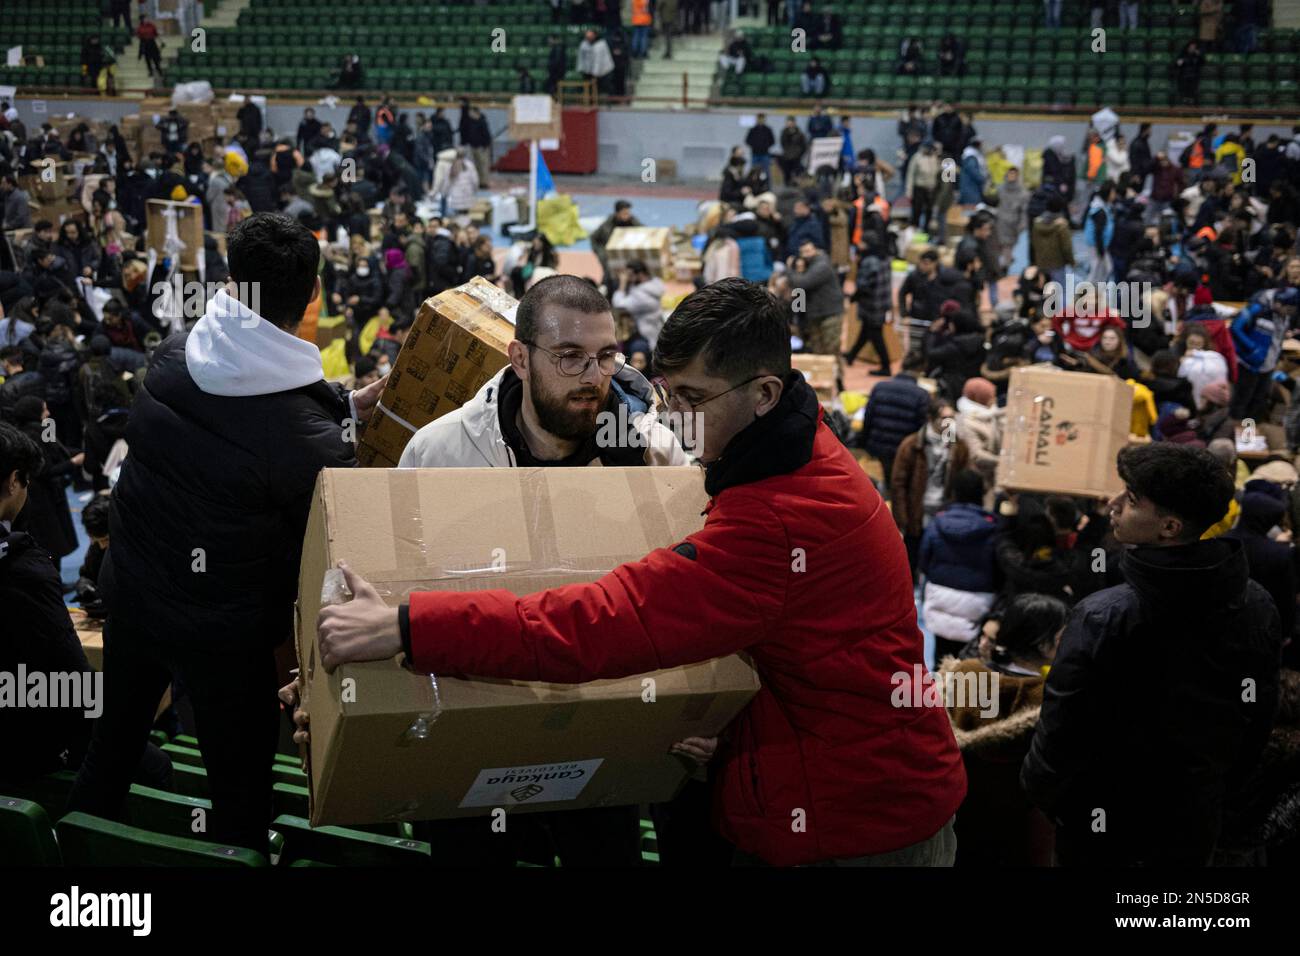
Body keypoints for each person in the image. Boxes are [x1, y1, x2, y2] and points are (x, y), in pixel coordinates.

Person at [296, 277, 968, 867]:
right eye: (669, 392)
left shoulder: (752, 507)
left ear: (765, 393)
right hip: (827, 789)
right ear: (520, 359)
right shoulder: (788, 449)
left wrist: (404, 627)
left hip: (848, 822)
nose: (670, 414)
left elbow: (604, 622)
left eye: (693, 398)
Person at [65, 214, 388, 853]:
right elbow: (306, 493)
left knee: (113, 749)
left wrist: (340, 408)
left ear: (234, 283)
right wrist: (337, 423)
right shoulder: (308, 441)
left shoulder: (172, 354)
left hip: (132, 597)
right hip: (221, 638)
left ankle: (67, 856)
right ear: (312, 299)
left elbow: (246, 413)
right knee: (240, 791)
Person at [1022, 443, 1284, 866]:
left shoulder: (1103, 616)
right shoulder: (1257, 605)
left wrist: (1052, 799)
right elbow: (1256, 717)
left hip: (1099, 820)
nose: (1113, 504)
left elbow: (1060, 731)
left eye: (1131, 499)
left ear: (1169, 526)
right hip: (1193, 819)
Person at [940, 592, 1067, 866]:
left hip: (959, 813)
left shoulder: (964, 673)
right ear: (1042, 644)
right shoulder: (1052, 699)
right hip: (1022, 830)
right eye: (1061, 635)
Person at [919, 469, 1000, 664]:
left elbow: (923, 559)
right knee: (970, 662)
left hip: (939, 594)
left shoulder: (938, 522)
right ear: (981, 493)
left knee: (940, 657)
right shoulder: (993, 528)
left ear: (954, 492)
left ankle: (938, 692)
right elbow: (997, 567)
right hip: (977, 601)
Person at [892, 396, 971, 573]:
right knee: (912, 559)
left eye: (952, 417)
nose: (949, 422)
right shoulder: (912, 445)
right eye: (944, 418)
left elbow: (963, 476)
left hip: (944, 511)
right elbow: (898, 484)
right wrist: (902, 519)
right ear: (931, 418)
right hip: (917, 513)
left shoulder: (955, 445)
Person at [8, 395, 81, 564]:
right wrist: (73, 462)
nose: (48, 413)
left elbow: (56, 449)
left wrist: (73, 453)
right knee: (51, 540)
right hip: (42, 496)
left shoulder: (39, 430)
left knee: (53, 541)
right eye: (44, 409)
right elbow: (45, 470)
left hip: (45, 494)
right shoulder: (35, 435)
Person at [1224, 479, 1296, 644]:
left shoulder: (1222, 541)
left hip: (1221, 621)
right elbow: (1285, 597)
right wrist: (1286, 632)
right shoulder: (1279, 553)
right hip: (1262, 625)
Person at [858, 350, 930, 486]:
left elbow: (868, 419)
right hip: (903, 452)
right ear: (921, 369)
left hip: (877, 447)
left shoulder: (879, 387)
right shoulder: (922, 395)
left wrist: (863, 443)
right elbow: (922, 429)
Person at [1230, 286, 1299, 421]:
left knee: (1258, 402)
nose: (1289, 313)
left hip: (1268, 364)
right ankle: (1235, 433)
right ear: (1279, 303)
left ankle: (1250, 435)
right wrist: (1252, 348)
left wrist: (1284, 335)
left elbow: (1274, 333)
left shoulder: (1284, 315)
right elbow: (1235, 328)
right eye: (1288, 309)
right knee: (1241, 401)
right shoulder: (1257, 307)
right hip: (1248, 364)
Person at [843, 231, 892, 373]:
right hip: (882, 302)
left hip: (872, 304)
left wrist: (852, 299)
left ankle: (886, 366)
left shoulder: (869, 261)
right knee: (866, 331)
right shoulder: (884, 257)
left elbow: (864, 285)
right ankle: (851, 356)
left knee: (876, 335)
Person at [787, 240, 844, 355]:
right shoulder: (807, 268)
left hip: (828, 314)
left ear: (815, 250)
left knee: (831, 352)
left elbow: (802, 283)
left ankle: (837, 373)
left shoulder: (821, 265)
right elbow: (798, 298)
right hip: (813, 316)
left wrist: (790, 270)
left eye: (808, 251)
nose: (806, 255)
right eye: (803, 252)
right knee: (817, 352)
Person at [611, 259, 667, 349]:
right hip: (655, 328)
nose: (628, 278)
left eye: (630, 275)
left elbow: (619, 305)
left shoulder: (641, 297)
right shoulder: (655, 283)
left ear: (640, 274)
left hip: (646, 335)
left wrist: (622, 284)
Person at [590, 200, 641, 289]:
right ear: (617, 213)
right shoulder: (608, 225)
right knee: (610, 275)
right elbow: (594, 238)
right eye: (624, 213)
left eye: (628, 213)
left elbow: (644, 231)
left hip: (627, 253)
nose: (627, 215)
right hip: (611, 256)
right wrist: (602, 254)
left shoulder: (633, 221)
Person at [457, 102, 492, 188]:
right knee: (476, 166)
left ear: (476, 113)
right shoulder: (471, 122)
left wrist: (485, 146)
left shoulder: (482, 122)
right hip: (474, 146)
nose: (470, 114)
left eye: (471, 112)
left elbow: (487, 135)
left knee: (483, 165)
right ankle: (478, 181)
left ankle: (484, 182)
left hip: (482, 147)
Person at [778, 115, 808, 185]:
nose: (790, 124)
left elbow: (804, 146)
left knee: (797, 175)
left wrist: (798, 154)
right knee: (787, 175)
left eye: (791, 122)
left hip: (796, 158)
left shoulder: (800, 133)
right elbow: (783, 144)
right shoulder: (784, 133)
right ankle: (787, 188)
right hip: (787, 158)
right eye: (788, 122)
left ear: (794, 123)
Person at [745, 113, 775, 180]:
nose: (761, 120)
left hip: (765, 154)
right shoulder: (753, 130)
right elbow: (747, 141)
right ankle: (753, 186)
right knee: (754, 171)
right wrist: (755, 146)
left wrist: (765, 146)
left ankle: (767, 188)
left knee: (766, 171)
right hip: (755, 154)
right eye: (759, 118)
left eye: (762, 118)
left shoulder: (768, 130)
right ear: (757, 119)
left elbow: (772, 141)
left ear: (764, 119)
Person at [1176, 40, 1205, 104]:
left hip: (1194, 76)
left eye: (1194, 47)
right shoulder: (1182, 55)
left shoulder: (1197, 55)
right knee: (1184, 86)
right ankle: (1184, 100)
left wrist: (1199, 55)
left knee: (1193, 88)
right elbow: (1177, 64)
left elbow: (1203, 63)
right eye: (1191, 47)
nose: (1192, 48)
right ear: (1188, 47)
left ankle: (1192, 101)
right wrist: (1179, 63)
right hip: (1184, 75)